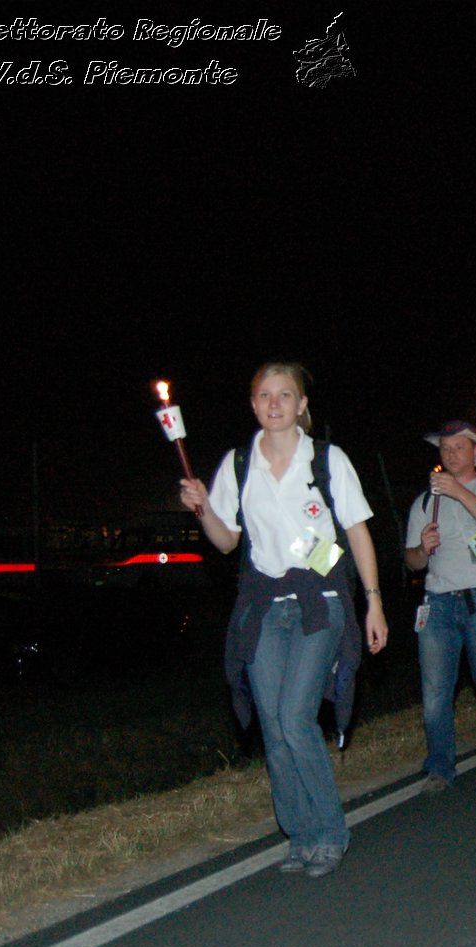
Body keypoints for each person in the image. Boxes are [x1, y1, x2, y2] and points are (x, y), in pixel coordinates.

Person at [178, 362, 388, 878]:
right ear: (253, 405)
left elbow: (357, 532)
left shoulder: (327, 459)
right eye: (265, 395)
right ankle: (300, 834)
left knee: (295, 716)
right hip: (264, 606)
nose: (275, 404)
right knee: (273, 724)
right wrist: (203, 508)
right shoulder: (238, 463)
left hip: (321, 601)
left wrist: (375, 601)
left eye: (285, 395)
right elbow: (227, 541)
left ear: (301, 406)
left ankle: (331, 833)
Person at [404, 419, 476, 790]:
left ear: (475, 452)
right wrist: (422, 549)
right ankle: (440, 767)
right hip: (438, 603)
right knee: (436, 692)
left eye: (459, 447)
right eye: (445, 448)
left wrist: (458, 492)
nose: (451, 453)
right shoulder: (425, 501)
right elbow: (412, 562)